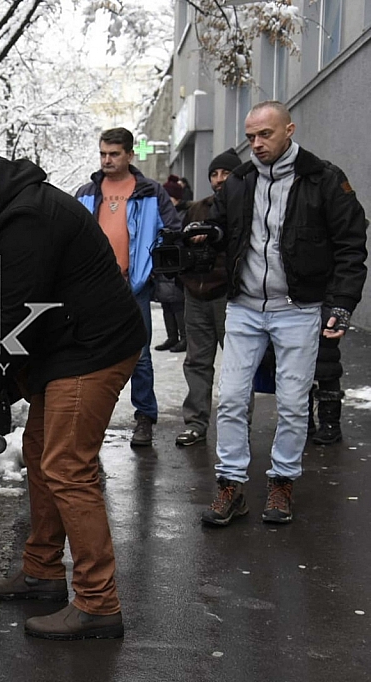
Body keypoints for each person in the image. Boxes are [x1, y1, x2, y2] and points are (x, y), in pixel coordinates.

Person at [0, 154, 145, 640]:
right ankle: (42, 572)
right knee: (40, 453)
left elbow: (18, 314)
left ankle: (98, 603)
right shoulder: (8, 214)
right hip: (68, 346)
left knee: (68, 465)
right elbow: (5, 299)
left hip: (93, 348)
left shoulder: (26, 219)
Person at [200, 101, 367, 527]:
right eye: (250, 136)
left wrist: (341, 304)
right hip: (244, 307)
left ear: (289, 130)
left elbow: (351, 244)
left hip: (299, 309)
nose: (255, 144)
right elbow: (221, 229)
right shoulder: (238, 182)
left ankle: (283, 481)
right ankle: (231, 485)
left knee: (293, 404)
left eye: (265, 135)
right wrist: (206, 237)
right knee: (233, 399)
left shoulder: (323, 179)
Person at [75, 128, 182, 447]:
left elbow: (171, 230)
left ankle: (144, 417)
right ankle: (92, 423)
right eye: (103, 154)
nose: (107, 160)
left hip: (134, 287)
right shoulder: (86, 192)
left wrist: (154, 273)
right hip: (95, 289)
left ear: (129, 155)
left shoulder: (150, 192)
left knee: (140, 355)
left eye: (114, 154)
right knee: (92, 355)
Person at [174, 149, 241, 447]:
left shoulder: (245, 207)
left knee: (239, 364)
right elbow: (181, 248)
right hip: (196, 294)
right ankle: (196, 423)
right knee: (197, 363)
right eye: (214, 174)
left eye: (225, 173)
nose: (218, 179)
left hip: (230, 295)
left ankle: (239, 426)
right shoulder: (198, 208)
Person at [153, 175, 188, 353]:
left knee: (177, 305)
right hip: (163, 264)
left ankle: (183, 337)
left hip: (175, 266)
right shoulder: (159, 216)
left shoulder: (182, 215)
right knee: (166, 304)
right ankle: (172, 336)